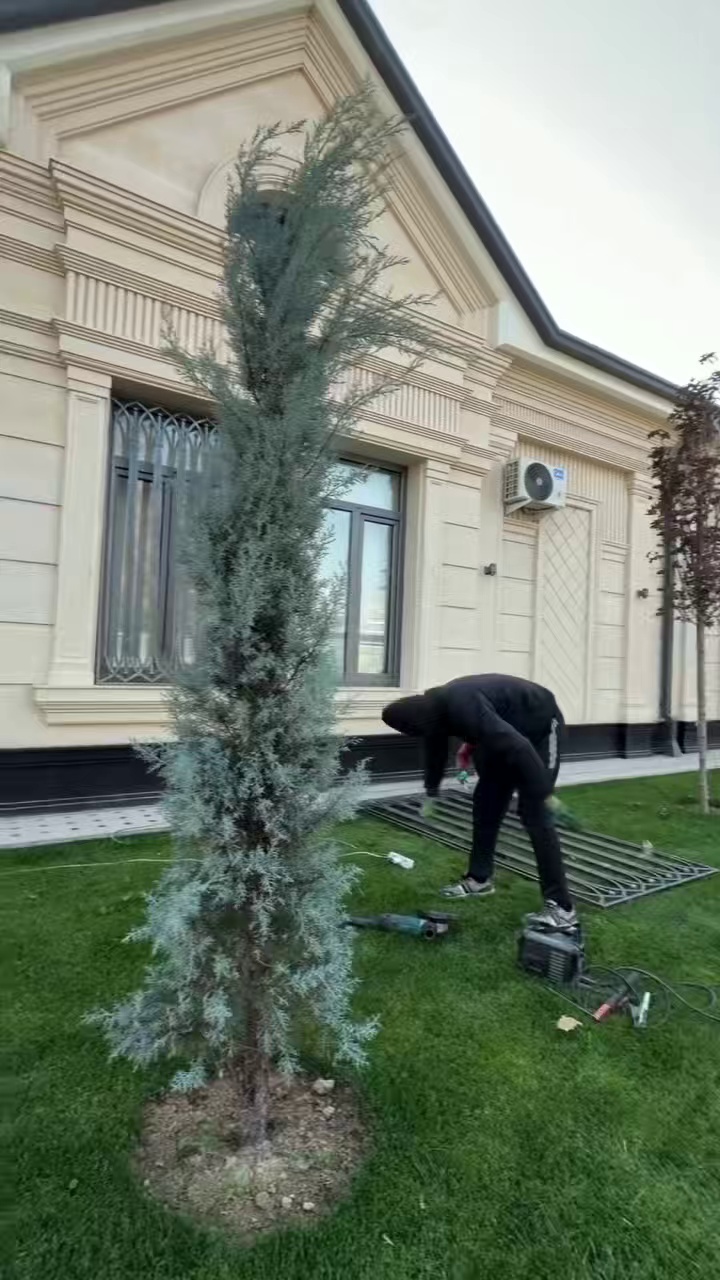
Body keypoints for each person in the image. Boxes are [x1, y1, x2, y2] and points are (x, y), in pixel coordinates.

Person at [381, 673, 577, 931]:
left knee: (535, 814)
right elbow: (436, 750)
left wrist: (543, 793)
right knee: (486, 804)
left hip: (539, 727)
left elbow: (519, 747)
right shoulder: (433, 711)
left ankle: (562, 909)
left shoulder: (461, 703)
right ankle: (479, 880)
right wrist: (431, 791)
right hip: (506, 731)